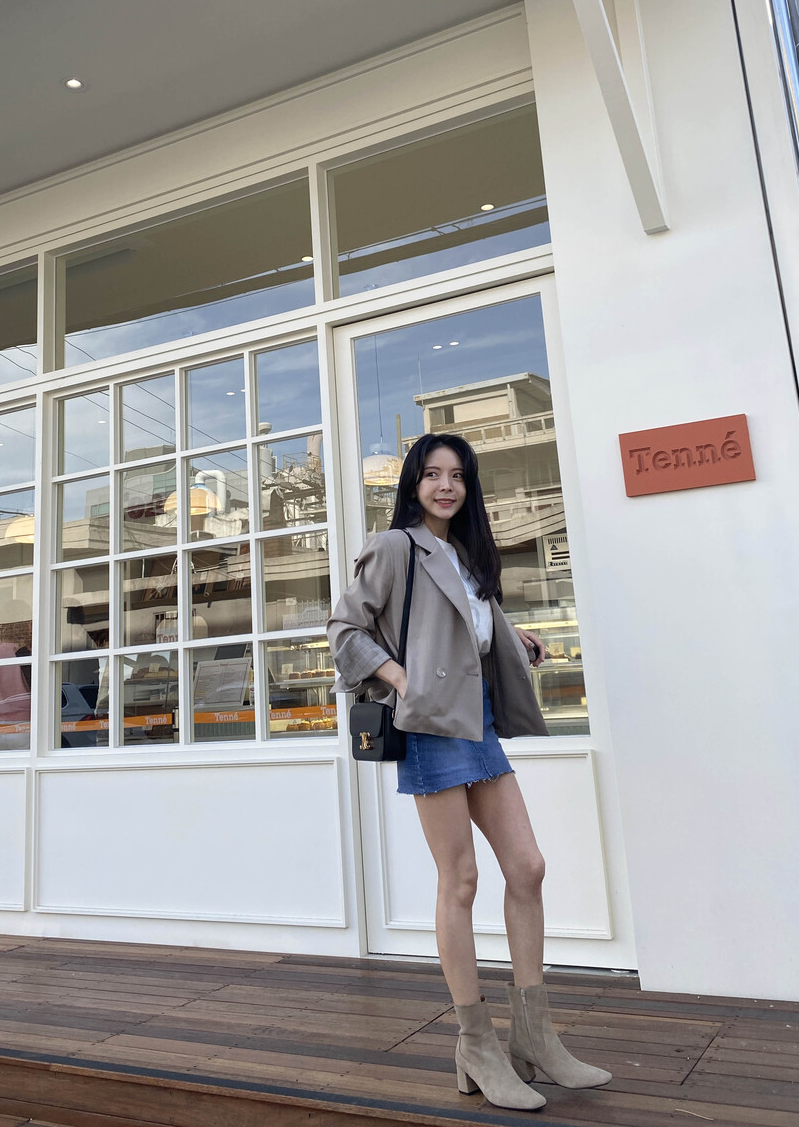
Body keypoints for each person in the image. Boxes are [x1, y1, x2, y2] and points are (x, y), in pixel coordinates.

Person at [327, 433, 610, 1112]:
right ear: (413, 483)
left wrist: (511, 636)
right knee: (460, 879)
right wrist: (404, 680)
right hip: (431, 726)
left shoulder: (467, 552)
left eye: (456, 475)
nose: (445, 486)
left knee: (528, 867)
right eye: (432, 474)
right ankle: (476, 1043)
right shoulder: (395, 546)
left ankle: (534, 1034)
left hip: (477, 720)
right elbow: (344, 628)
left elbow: (466, 626)